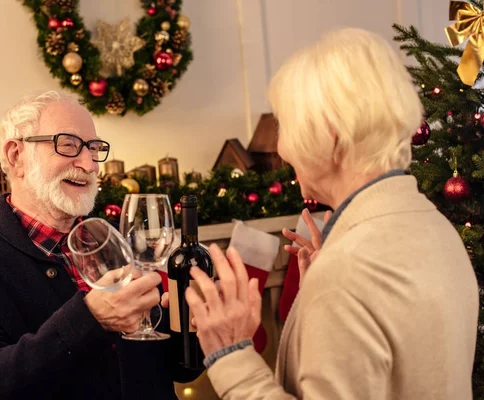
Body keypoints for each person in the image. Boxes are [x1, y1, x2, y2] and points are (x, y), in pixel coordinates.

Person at [185, 28, 479, 399]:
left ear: (329, 133)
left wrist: (231, 356)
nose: (281, 148)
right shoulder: (435, 226)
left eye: (285, 125)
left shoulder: (349, 270)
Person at [0, 90, 177, 400]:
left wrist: (192, 330)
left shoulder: (112, 237)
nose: (90, 165)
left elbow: (173, 368)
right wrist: (89, 318)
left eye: (94, 149)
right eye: (68, 145)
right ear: (15, 156)